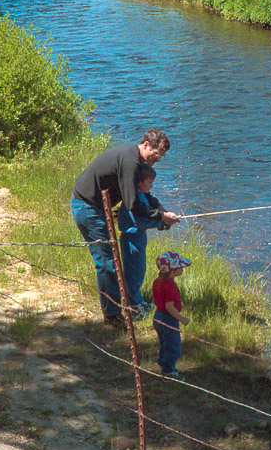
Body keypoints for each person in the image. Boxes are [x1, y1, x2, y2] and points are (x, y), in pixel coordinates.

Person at [71, 128, 181, 329]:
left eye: (161, 156)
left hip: (95, 207)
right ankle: (112, 315)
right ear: (146, 145)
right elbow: (132, 205)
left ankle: (120, 306)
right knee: (107, 263)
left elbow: (142, 194)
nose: (158, 160)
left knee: (111, 262)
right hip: (87, 207)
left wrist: (160, 208)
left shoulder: (137, 159)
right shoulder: (131, 162)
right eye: (157, 154)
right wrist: (161, 217)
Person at [118, 164, 169, 318]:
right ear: (139, 182)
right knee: (135, 271)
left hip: (139, 236)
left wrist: (164, 215)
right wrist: (162, 222)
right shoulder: (132, 200)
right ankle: (134, 308)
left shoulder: (142, 194)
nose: (152, 185)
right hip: (131, 238)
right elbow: (140, 222)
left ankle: (137, 299)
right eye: (150, 182)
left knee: (139, 269)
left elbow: (152, 204)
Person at [152, 250, 192, 380]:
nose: (182, 269)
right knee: (174, 346)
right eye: (180, 267)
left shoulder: (157, 281)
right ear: (172, 271)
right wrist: (182, 319)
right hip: (168, 319)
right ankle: (168, 372)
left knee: (164, 342)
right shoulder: (170, 286)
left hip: (157, 315)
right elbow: (170, 306)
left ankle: (163, 363)